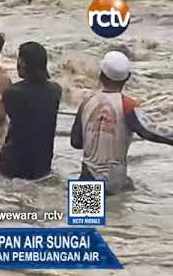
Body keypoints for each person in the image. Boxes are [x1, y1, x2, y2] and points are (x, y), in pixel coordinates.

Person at [71, 51, 173, 194]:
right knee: (117, 212)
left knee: (84, 216)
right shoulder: (128, 105)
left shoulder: (86, 103)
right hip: (113, 179)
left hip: (87, 176)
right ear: (128, 78)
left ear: (101, 75)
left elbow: (76, 142)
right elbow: (148, 131)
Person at [0, 42, 62, 180]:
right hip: (41, 169)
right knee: (106, 201)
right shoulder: (56, 91)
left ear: (22, 63)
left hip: (11, 167)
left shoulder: (13, 93)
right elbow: (77, 141)